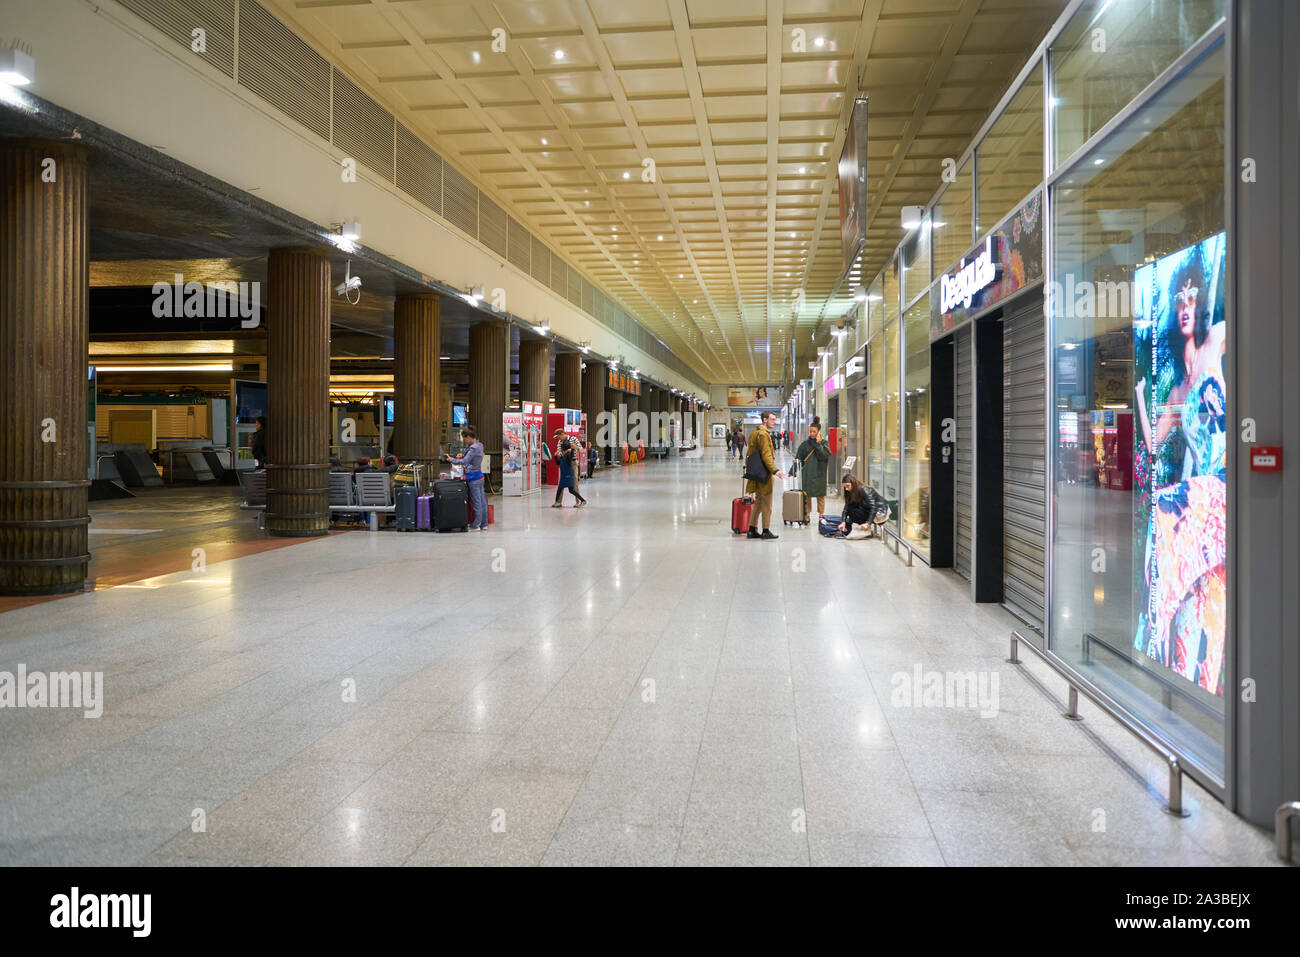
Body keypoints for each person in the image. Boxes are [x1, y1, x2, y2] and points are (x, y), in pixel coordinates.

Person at [743, 411, 784, 540]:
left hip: (756, 472)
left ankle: (751, 529)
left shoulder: (754, 433)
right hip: (764, 473)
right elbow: (766, 455)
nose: (774, 421)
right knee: (767, 504)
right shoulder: (764, 434)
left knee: (758, 503)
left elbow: (749, 453)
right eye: (772, 419)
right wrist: (775, 470)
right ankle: (765, 530)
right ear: (765, 420)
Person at [446, 426, 488, 531]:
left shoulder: (473, 448)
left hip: (473, 478)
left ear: (469, 437)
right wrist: (463, 456)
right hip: (479, 476)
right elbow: (469, 458)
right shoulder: (479, 445)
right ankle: (484, 524)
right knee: (482, 502)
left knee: (476, 502)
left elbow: (465, 461)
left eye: (465, 438)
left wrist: (452, 459)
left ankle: (476, 525)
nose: (464, 441)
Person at [821, 474, 888, 539]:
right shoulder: (851, 491)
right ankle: (849, 526)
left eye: (848, 486)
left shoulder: (864, 490)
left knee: (853, 511)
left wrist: (868, 523)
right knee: (851, 509)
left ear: (853, 484)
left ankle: (866, 527)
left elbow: (874, 507)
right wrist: (843, 522)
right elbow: (846, 508)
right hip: (867, 509)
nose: (846, 489)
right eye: (845, 487)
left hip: (880, 513)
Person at [794, 424, 831, 521]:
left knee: (820, 496)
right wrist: (792, 470)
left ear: (819, 432)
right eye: (810, 431)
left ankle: (821, 515)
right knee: (807, 495)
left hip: (820, 473)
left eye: (814, 431)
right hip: (808, 473)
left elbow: (823, 456)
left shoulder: (824, 443)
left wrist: (818, 444)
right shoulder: (805, 444)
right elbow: (798, 458)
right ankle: (807, 514)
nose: (812, 433)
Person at [552, 429, 587, 508]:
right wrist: (565, 452)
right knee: (561, 482)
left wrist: (576, 447)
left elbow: (581, 449)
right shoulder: (560, 442)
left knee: (574, 482)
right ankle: (558, 502)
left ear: (562, 434)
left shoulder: (573, 439)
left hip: (573, 463)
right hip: (563, 463)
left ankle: (578, 502)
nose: (558, 439)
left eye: (558, 437)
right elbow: (559, 452)